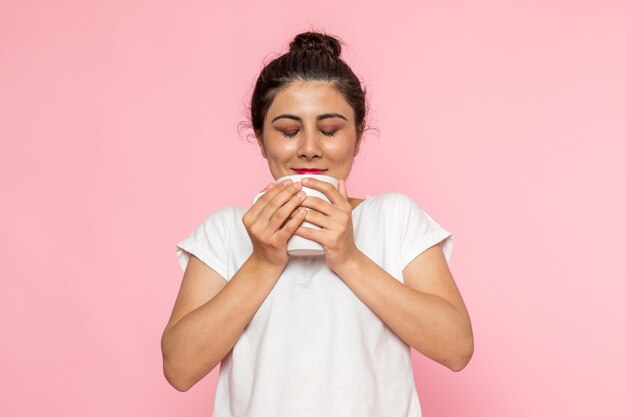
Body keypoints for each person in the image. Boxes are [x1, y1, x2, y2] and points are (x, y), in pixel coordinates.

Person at [161, 31, 473, 417]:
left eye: (329, 130)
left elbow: (457, 348)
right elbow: (179, 368)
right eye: (289, 131)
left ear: (358, 137)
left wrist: (348, 257)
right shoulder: (226, 230)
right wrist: (262, 262)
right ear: (260, 139)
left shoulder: (394, 218)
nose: (309, 147)